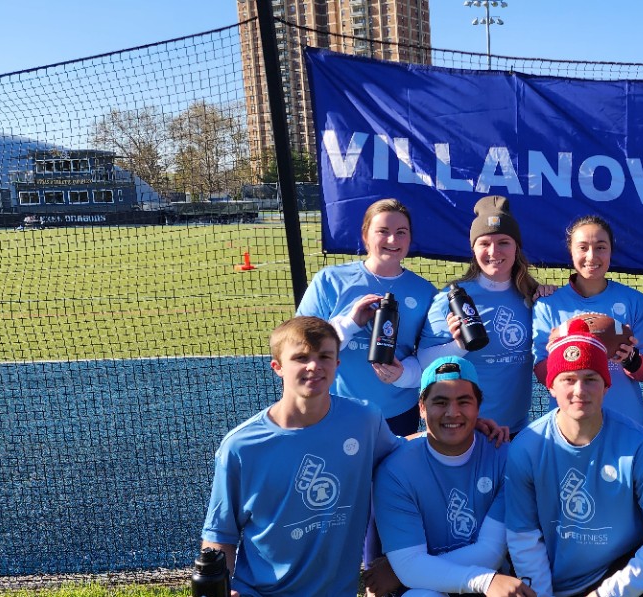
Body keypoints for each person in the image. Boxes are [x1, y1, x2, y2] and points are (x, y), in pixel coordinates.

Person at [200, 316, 402, 597]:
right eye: (301, 357)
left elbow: (405, 457)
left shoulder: (365, 421)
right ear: (278, 367)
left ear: (337, 365)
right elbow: (220, 536)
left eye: (324, 356)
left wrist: (464, 433)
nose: (314, 366)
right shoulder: (241, 446)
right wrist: (218, 591)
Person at [506, 319, 643, 597]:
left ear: (606, 386)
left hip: (619, 573)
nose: (579, 391)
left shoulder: (637, 443)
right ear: (551, 386)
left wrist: (606, 594)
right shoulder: (527, 447)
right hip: (555, 579)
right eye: (568, 379)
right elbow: (523, 537)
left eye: (591, 379)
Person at [369, 356, 534, 597]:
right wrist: (409, 569)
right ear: (422, 408)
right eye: (440, 402)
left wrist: (404, 570)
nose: (452, 412)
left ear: (478, 407)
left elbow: (489, 551)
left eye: (464, 401)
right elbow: (410, 566)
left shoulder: (506, 459)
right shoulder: (396, 470)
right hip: (422, 586)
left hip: (487, 579)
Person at [403, 196, 549, 433]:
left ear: (516, 247)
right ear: (473, 249)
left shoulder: (535, 297)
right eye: (484, 243)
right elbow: (423, 363)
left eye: (503, 242)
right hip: (466, 430)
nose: (494, 251)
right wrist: (459, 345)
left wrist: (548, 296)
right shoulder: (451, 300)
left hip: (517, 430)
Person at [295, 198, 438, 436]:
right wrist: (350, 324)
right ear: (365, 236)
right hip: (334, 408)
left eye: (401, 232)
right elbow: (298, 343)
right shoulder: (330, 280)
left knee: (391, 474)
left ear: (410, 238)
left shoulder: (425, 292)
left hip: (398, 413)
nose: (393, 240)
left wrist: (404, 374)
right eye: (383, 231)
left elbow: (430, 357)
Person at [532, 215, 643, 427]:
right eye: (582, 247)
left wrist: (631, 359)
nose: (591, 256)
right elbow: (542, 374)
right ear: (571, 251)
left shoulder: (634, 301)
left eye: (600, 247)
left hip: (627, 423)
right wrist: (561, 354)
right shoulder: (548, 304)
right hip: (571, 426)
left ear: (610, 252)